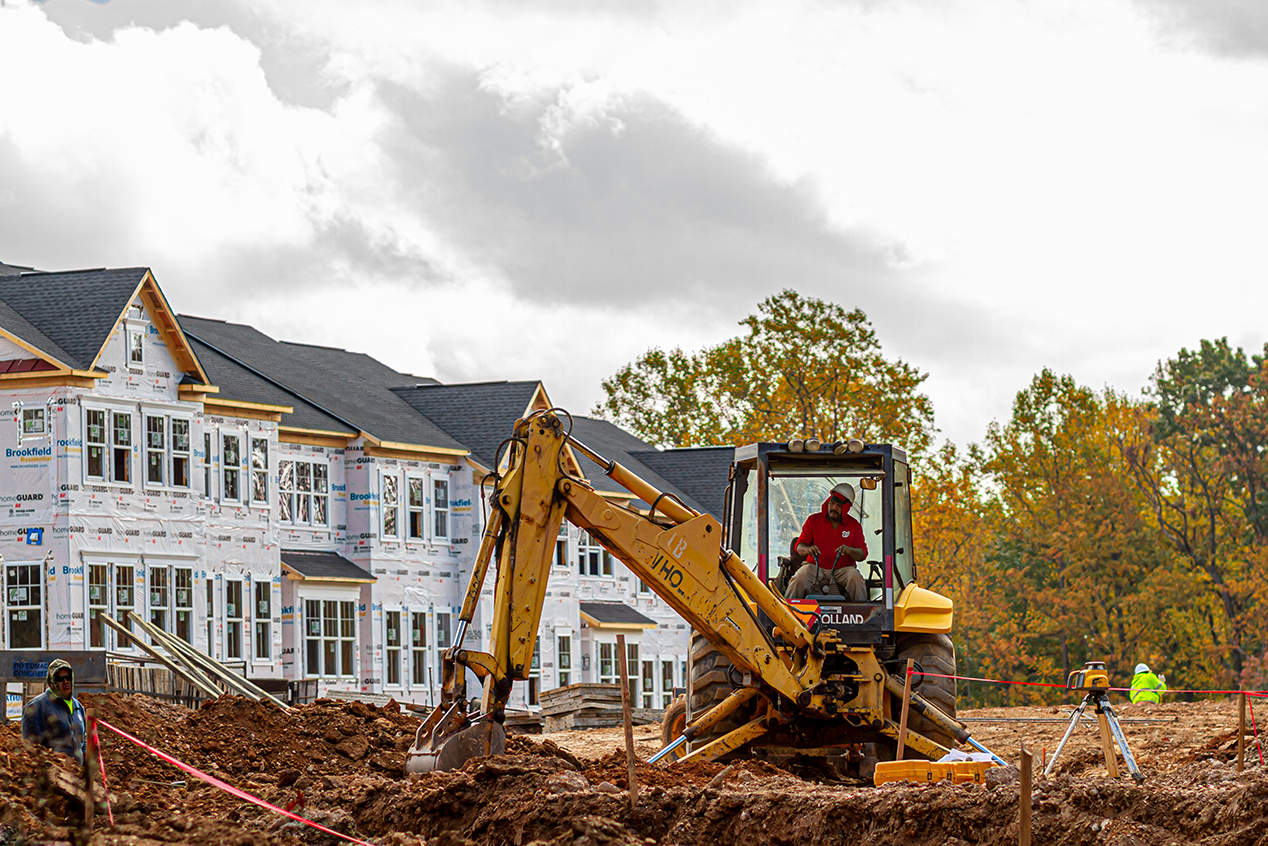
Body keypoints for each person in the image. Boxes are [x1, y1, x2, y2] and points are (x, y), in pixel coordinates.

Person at [786, 482, 868, 601]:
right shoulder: (813, 520)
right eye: (832, 503)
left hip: (843, 569)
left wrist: (850, 550)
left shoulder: (854, 526)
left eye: (838, 506)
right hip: (815, 567)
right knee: (799, 577)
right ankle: (785, 613)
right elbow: (799, 547)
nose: (833, 508)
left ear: (846, 508)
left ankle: (863, 616)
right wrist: (808, 549)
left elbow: (862, 554)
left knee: (856, 579)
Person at [21, 659, 87, 763]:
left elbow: (83, 741)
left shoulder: (78, 707)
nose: (65, 681)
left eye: (68, 677)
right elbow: (32, 749)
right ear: (52, 682)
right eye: (60, 678)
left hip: (76, 776)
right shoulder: (37, 707)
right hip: (55, 776)